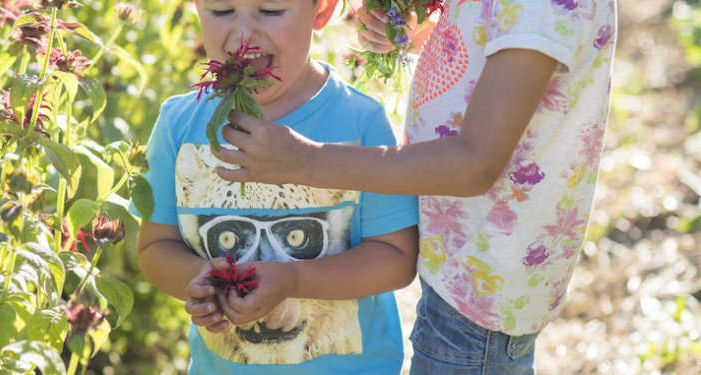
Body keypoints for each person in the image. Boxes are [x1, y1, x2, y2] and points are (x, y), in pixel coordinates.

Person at [207, 0, 618, 373]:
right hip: (463, 253)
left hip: (484, 277)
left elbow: (475, 163)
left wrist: (305, 160)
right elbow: (491, 44)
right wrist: (419, 33)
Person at [128, 0, 420, 373]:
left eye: (270, 10)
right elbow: (156, 246)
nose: (243, 33)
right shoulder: (178, 125)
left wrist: (293, 279)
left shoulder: (359, 122)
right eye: (221, 11)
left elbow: (396, 258)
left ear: (322, 10)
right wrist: (198, 282)